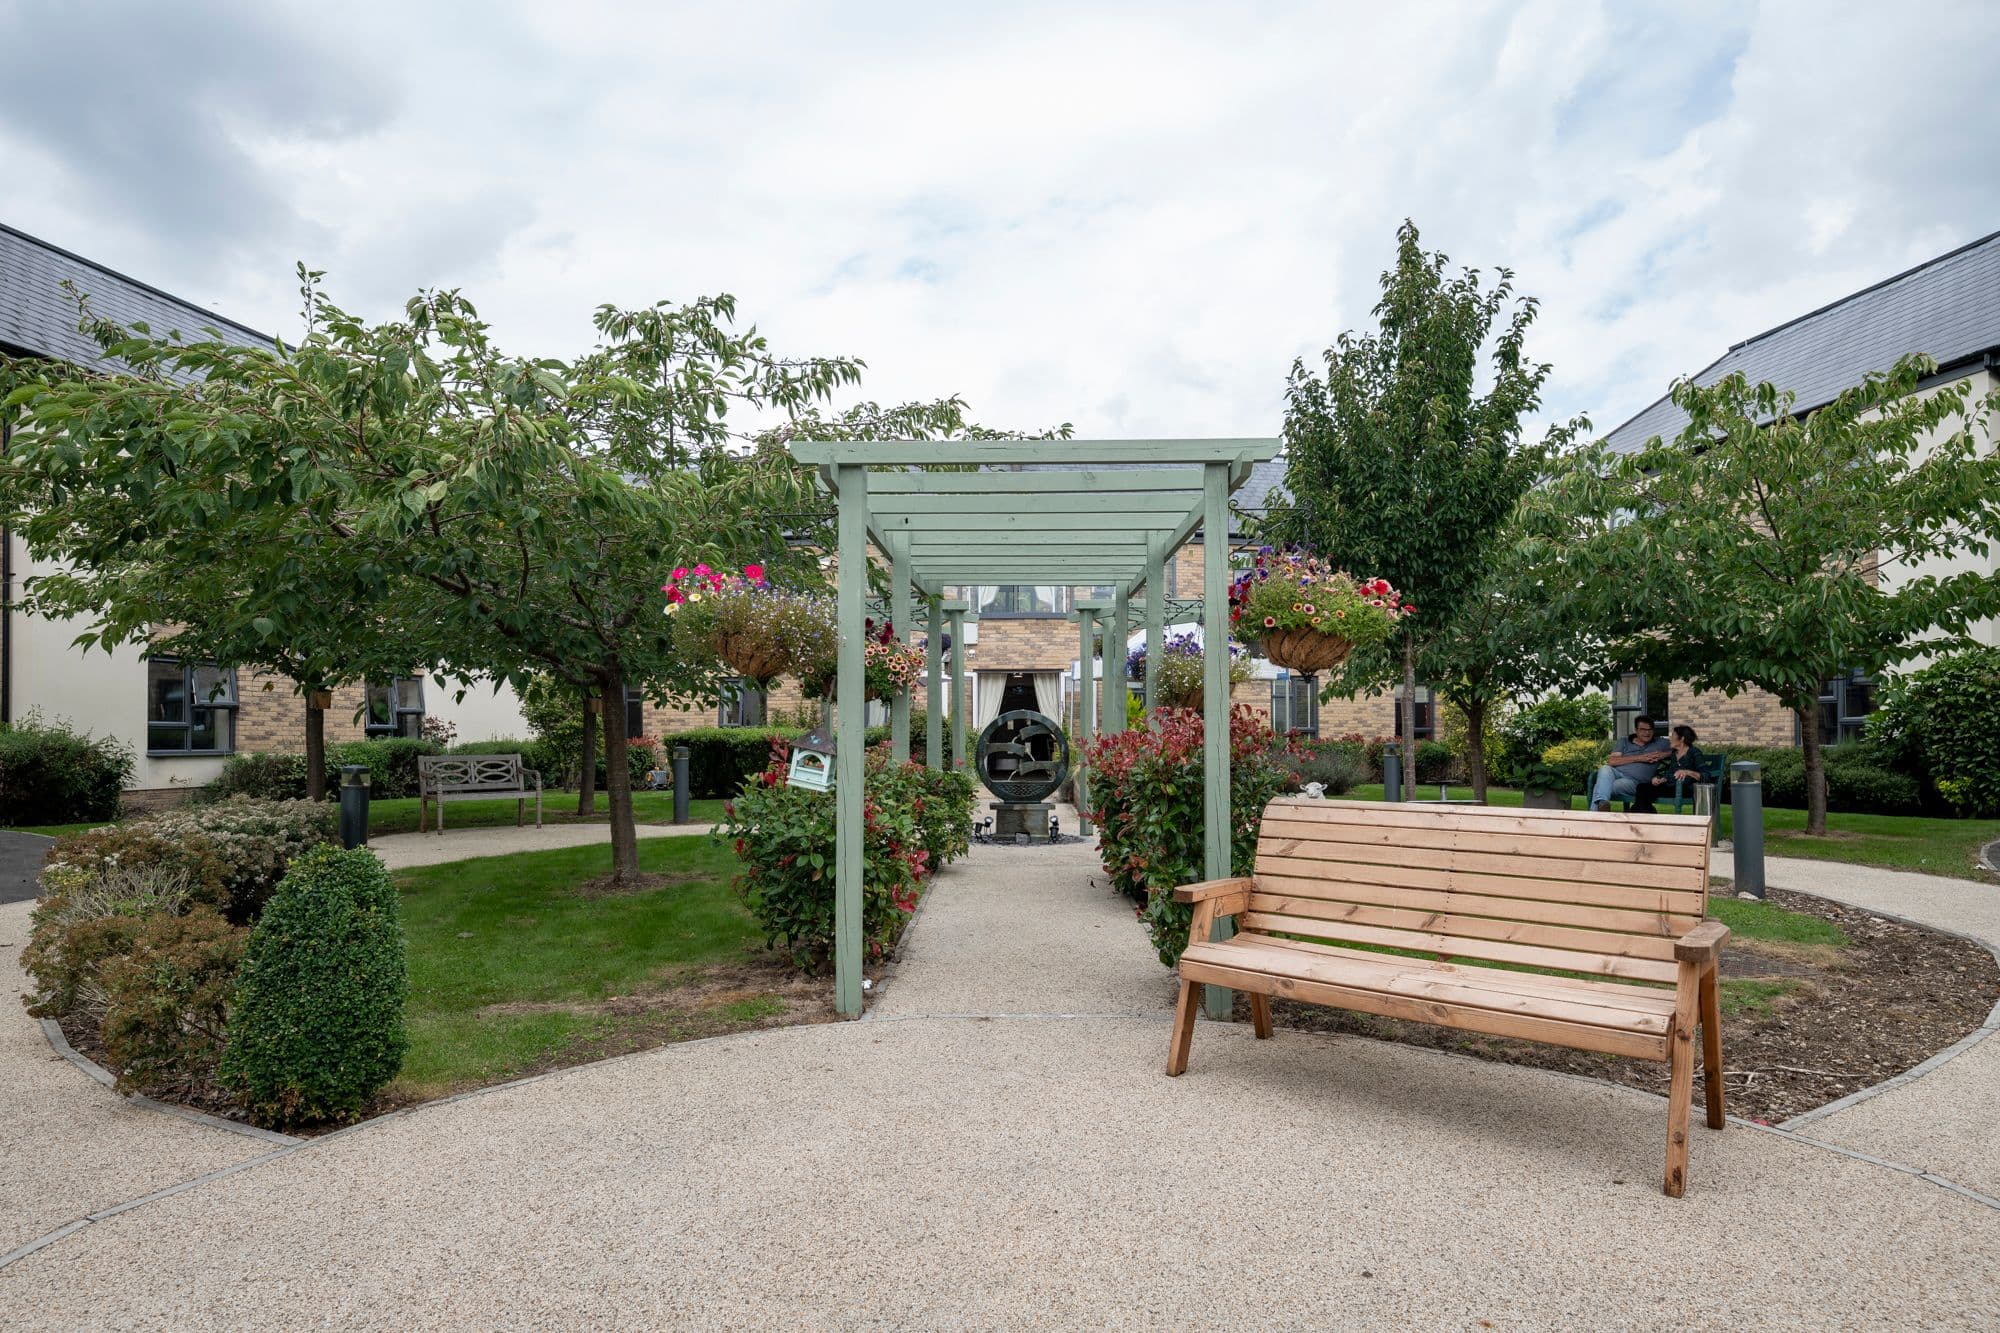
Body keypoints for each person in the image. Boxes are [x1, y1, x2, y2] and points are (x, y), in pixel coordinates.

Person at [1589, 716, 1671, 811]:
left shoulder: (1661, 743)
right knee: (1605, 768)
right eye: (1643, 729)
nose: (1647, 733)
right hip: (1616, 774)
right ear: (1636, 730)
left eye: (1650, 729)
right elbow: (1613, 761)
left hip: (1635, 783)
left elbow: (1682, 748)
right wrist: (1640, 758)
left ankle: (1596, 812)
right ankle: (1602, 805)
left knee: (1600, 787)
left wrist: (1664, 754)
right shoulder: (1624, 741)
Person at [1631, 724, 1710, 814]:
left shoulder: (1694, 753)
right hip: (1671, 787)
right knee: (1642, 787)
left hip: (1686, 789)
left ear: (1682, 739)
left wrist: (1687, 772)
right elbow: (1671, 774)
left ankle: (1640, 814)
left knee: (1641, 799)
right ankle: (1648, 813)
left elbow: (1706, 776)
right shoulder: (1674, 753)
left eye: (1673, 736)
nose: (1670, 739)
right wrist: (1660, 779)